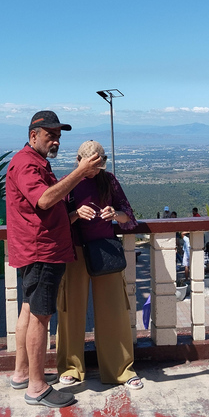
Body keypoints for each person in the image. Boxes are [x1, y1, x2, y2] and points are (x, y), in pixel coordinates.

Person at [7, 110, 103, 409]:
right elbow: (45, 200)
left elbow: (47, 207)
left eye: (59, 137)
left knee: (28, 309)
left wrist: (72, 214)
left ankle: (23, 373)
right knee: (40, 316)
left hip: (38, 248)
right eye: (51, 136)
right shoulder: (26, 164)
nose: (56, 141)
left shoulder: (37, 163)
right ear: (33, 135)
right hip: (41, 251)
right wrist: (80, 173)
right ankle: (36, 387)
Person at [56, 140, 142, 390]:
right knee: (71, 312)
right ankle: (70, 368)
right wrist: (75, 214)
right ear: (79, 161)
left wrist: (115, 214)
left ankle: (121, 370)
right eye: (91, 165)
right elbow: (54, 222)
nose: (95, 171)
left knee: (113, 312)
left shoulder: (109, 180)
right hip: (74, 253)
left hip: (105, 252)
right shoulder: (67, 182)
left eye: (98, 165)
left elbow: (129, 217)